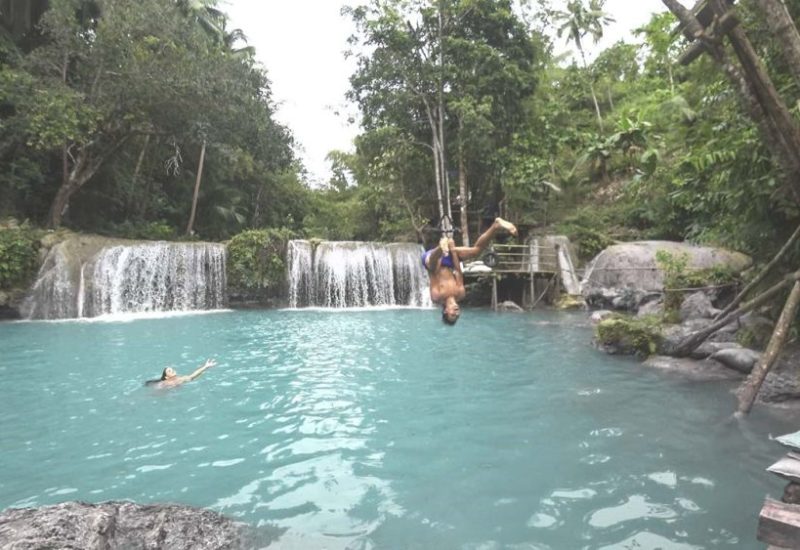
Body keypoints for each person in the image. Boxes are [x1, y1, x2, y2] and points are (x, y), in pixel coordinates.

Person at [422, 217, 517, 325]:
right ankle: (496, 226)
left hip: (433, 259)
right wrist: (452, 251)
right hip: (450, 261)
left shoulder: (437, 297)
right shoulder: (460, 294)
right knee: (475, 251)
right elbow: (458, 271)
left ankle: (441, 246)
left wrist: (441, 253)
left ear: (445, 311)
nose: (457, 313)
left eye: (453, 314)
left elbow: (433, 272)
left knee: (430, 263)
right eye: (457, 315)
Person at [145, 358, 217, 388]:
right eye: (169, 371)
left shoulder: (181, 378)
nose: (172, 370)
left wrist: (206, 366)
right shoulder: (164, 383)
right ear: (167, 377)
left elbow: (193, 376)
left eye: (172, 369)